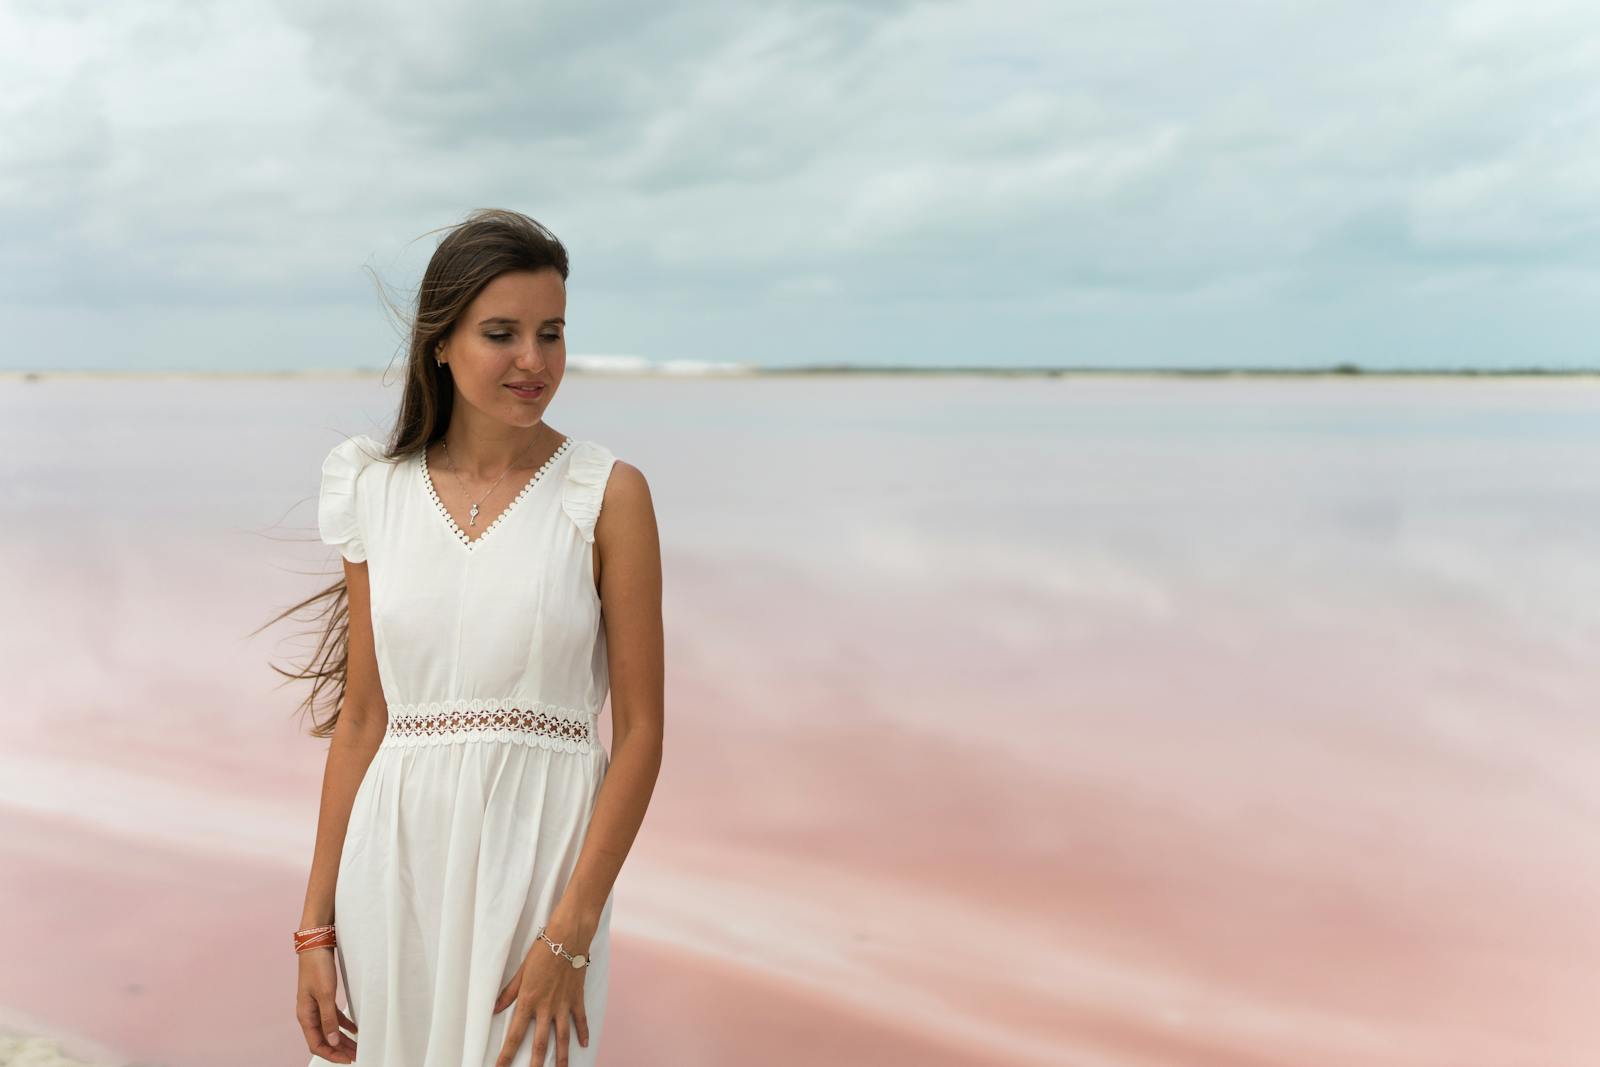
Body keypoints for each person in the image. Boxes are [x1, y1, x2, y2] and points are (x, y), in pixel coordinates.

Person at [284, 209, 664, 1067]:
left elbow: (640, 733)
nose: (534, 361)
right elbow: (362, 721)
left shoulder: (608, 494)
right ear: (442, 344)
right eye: (503, 333)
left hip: (541, 880)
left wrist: (572, 932)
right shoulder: (372, 490)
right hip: (395, 866)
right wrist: (315, 928)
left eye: (552, 333)